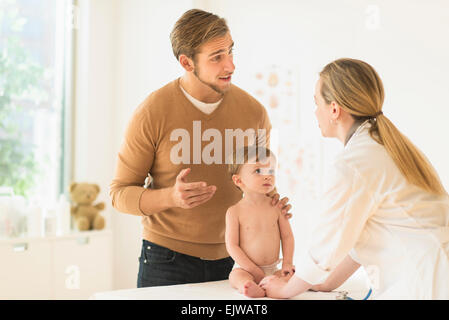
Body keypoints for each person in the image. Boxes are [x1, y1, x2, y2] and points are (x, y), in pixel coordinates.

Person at [109, 9, 292, 288]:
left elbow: (257, 181)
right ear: (187, 62)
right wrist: (171, 197)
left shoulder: (254, 112)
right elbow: (120, 194)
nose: (230, 65)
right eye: (217, 57)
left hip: (239, 262)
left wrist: (273, 202)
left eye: (231, 52)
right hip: (166, 261)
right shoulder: (152, 112)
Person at [260, 58, 449, 299]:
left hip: (426, 284)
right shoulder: (386, 147)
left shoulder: (354, 163)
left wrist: (286, 290)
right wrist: (325, 284)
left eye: (316, 102)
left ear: (334, 109)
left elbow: (327, 244)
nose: (315, 112)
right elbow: (360, 236)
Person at [225, 146, 295, 298]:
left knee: (290, 277)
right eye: (258, 171)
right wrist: (253, 270)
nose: (267, 176)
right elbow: (232, 246)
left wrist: (287, 263)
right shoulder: (234, 211)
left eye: (271, 171)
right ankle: (248, 287)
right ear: (238, 180)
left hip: (273, 267)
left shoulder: (276, 207)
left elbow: (288, 236)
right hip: (246, 268)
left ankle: (274, 286)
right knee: (235, 277)